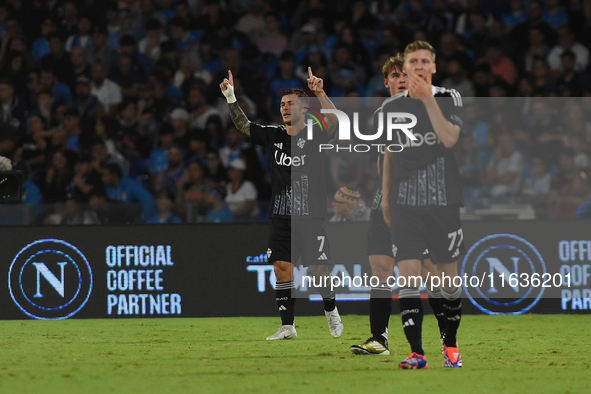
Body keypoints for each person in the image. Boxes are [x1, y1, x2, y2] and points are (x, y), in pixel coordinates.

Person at [220, 67, 343, 340]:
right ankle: (288, 326)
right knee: (281, 267)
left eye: (291, 104)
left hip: (311, 217)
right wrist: (230, 97)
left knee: (318, 271)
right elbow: (244, 126)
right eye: (282, 105)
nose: (285, 108)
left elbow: (336, 123)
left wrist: (320, 92)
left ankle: (331, 311)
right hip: (281, 215)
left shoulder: (314, 134)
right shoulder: (273, 134)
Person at [350, 54, 446, 358]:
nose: (401, 79)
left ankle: (448, 338)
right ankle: (379, 340)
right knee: (379, 270)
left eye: (404, 74)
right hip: (384, 206)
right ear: (387, 82)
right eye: (395, 75)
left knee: (429, 274)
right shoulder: (382, 115)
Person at [381, 41, 465, 369]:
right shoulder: (390, 109)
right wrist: (386, 199)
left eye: (424, 61)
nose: (418, 66)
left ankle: (451, 347)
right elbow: (390, 153)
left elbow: (449, 138)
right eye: (412, 61)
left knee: (448, 281)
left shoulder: (449, 98)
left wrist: (428, 100)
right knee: (409, 277)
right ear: (406, 66)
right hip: (405, 204)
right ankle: (417, 352)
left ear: (433, 67)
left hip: (444, 202)